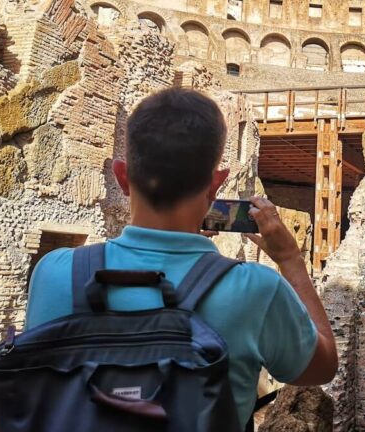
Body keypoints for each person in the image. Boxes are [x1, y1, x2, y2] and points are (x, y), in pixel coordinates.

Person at [25, 87, 338, 429]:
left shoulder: (55, 272)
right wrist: (290, 260)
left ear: (122, 176)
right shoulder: (257, 290)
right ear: (216, 184)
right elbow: (323, 366)